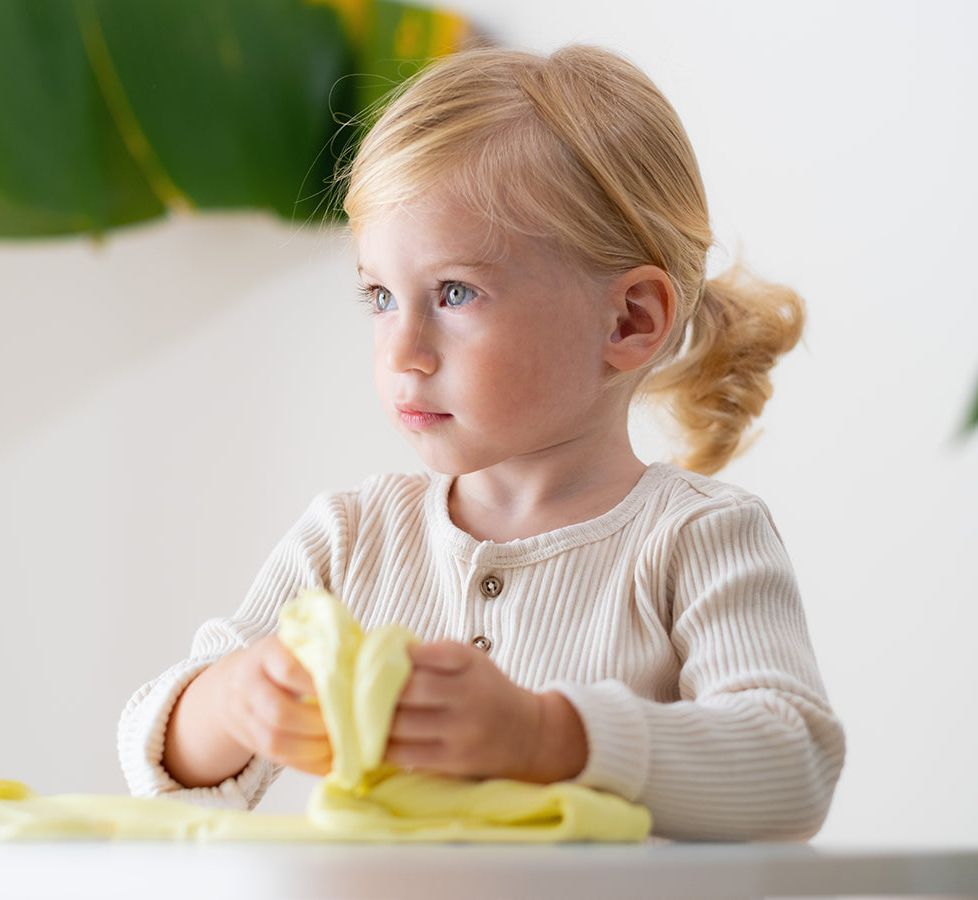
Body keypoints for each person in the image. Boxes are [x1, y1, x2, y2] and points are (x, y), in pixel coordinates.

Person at [117, 44, 845, 842]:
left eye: (455, 293)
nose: (402, 351)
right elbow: (158, 764)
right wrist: (228, 704)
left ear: (629, 320)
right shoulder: (351, 539)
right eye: (381, 296)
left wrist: (547, 736)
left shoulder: (696, 539)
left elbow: (793, 765)